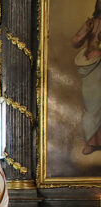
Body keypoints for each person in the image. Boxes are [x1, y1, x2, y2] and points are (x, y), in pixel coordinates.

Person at [71, 0, 101, 155]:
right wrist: (86, 32)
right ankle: (91, 141)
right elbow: (76, 41)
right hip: (90, 67)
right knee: (91, 105)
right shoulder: (91, 23)